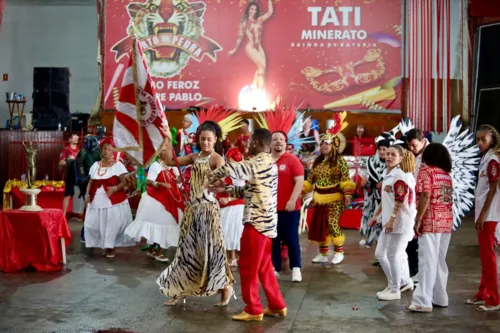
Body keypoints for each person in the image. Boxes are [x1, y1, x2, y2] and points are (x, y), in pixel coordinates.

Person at [209, 128, 286, 322]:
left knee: (248, 267)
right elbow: (249, 191)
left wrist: (211, 175)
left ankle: (253, 309)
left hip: (257, 224)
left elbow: (234, 168)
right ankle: (277, 305)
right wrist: (225, 188)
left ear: (258, 143)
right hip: (266, 224)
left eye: (250, 142)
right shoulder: (268, 163)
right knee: (264, 267)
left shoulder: (258, 162)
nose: (247, 145)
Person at [155, 120, 234, 307]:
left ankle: (225, 287)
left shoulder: (217, 159)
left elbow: (222, 182)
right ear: (198, 140)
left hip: (208, 210)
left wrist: (214, 182)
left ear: (215, 140)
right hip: (192, 210)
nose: (205, 142)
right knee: (186, 251)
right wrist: (168, 138)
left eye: (209, 139)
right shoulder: (193, 157)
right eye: (202, 139)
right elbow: (169, 161)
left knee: (212, 251)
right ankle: (179, 288)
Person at [303, 113, 355, 265]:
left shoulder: (339, 161)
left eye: (328, 143)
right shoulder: (317, 162)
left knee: (332, 223)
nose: (324, 145)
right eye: (323, 143)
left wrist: (347, 194)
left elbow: (346, 179)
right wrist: (301, 193)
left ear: (334, 145)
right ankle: (323, 254)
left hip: (334, 198)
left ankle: (339, 251)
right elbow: (310, 180)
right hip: (319, 198)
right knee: (321, 225)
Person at [409, 143, 453, 312]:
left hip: (430, 221)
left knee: (427, 260)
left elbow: (426, 195)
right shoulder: (446, 175)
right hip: (446, 221)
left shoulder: (426, 172)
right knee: (440, 260)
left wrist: (418, 219)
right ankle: (440, 297)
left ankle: (422, 301)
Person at [370, 145, 416, 301]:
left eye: (393, 155)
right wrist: (376, 215)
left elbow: (400, 200)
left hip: (399, 222)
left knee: (393, 255)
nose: (389, 157)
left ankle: (396, 290)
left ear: (401, 158)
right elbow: (385, 200)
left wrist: (392, 219)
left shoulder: (400, 176)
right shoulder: (387, 173)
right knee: (380, 254)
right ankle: (393, 284)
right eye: (387, 154)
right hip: (387, 222)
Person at [124, 147, 184, 262]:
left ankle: (152, 250)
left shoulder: (172, 166)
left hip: (171, 198)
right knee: (163, 224)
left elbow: (177, 180)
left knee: (165, 224)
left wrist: (178, 181)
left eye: (166, 150)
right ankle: (159, 252)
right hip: (157, 200)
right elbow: (148, 181)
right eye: (162, 150)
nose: (164, 152)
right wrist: (158, 184)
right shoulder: (155, 166)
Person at [465, 125, 500, 312]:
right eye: (477, 139)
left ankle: (494, 299)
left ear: (492, 139)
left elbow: (493, 189)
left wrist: (483, 215)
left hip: (489, 216)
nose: (479, 143)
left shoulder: (493, 160)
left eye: (483, 140)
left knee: (488, 256)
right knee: (485, 256)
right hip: (484, 214)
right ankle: (482, 293)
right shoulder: (486, 158)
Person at [83, 138, 135, 258]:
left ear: (113, 152)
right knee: (96, 224)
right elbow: (90, 182)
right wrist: (87, 195)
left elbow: (123, 182)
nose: (107, 151)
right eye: (105, 148)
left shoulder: (118, 166)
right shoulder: (96, 165)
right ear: (101, 150)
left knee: (112, 224)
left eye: (110, 149)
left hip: (113, 201)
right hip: (97, 199)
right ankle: (105, 244)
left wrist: (114, 189)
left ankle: (111, 247)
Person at [270, 131, 304, 282]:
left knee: (291, 239)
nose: (278, 142)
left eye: (281, 139)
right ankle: (274, 268)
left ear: (286, 143)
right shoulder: (266, 161)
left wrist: (292, 200)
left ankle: (296, 268)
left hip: (290, 208)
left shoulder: (292, 160)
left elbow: (300, 181)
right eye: (275, 139)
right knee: (273, 240)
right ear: (270, 143)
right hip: (270, 208)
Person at [228, 0, 273, 90]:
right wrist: (234, 49)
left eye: (255, 9)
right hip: (250, 47)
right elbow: (240, 37)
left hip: (259, 47)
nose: (254, 11)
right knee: (262, 65)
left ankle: (255, 86)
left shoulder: (259, 20)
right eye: (252, 9)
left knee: (261, 67)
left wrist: (269, 1)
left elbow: (270, 12)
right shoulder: (244, 22)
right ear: (248, 9)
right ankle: (260, 87)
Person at [405, 128, 429, 279]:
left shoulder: (432, 153)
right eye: (409, 146)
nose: (411, 149)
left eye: (414, 145)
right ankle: (417, 270)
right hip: (414, 198)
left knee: (425, 240)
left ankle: (424, 274)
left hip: (427, 200)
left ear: (422, 141)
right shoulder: (413, 154)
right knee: (415, 237)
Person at [216, 147, 245, 266]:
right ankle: (230, 256)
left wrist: (228, 198)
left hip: (234, 207)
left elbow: (241, 192)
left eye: (231, 161)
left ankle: (232, 257)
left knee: (231, 231)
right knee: (226, 230)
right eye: (228, 161)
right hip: (226, 205)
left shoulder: (239, 174)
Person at [59, 134, 81, 216]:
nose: (76, 139)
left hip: (79, 176)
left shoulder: (79, 150)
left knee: (81, 195)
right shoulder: (66, 150)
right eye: (74, 137)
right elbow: (60, 162)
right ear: (70, 139)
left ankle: (80, 214)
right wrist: (69, 161)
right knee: (67, 195)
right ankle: (63, 216)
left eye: (77, 137)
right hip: (69, 175)